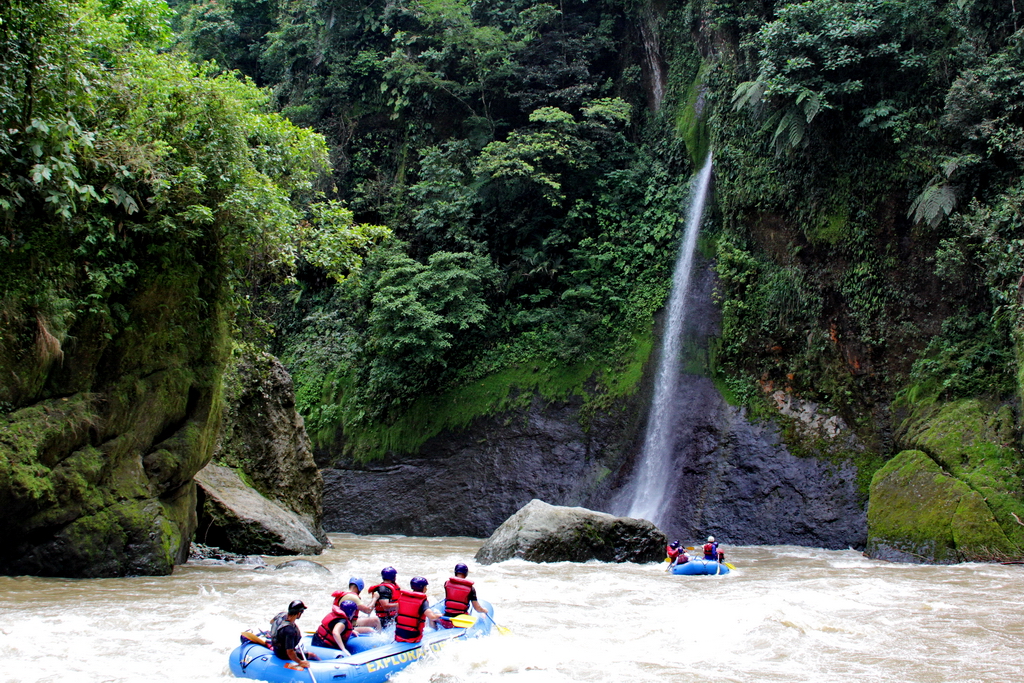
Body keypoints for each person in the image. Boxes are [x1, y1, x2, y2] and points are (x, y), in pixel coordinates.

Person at [394, 576, 440, 643]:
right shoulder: (422, 601)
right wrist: (441, 615)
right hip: (414, 638)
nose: (426, 589)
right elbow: (432, 617)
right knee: (433, 622)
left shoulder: (402, 598)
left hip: (399, 635)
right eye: (425, 587)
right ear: (423, 588)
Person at [440, 562, 488, 626]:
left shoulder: (446, 584)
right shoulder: (471, 589)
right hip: (462, 622)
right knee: (482, 615)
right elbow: (477, 608)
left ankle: (435, 630)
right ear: (466, 574)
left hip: (447, 620)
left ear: (455, 572)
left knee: (433, 618)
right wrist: (484, 610)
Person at [271, 600, 309, 670]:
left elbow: (271, 622)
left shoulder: (281, 615)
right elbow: (290, 652)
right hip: (282, 654)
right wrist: (300, 662)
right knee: (312, 655)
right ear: (298, 613)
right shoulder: (290, 631)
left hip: (276, 648)